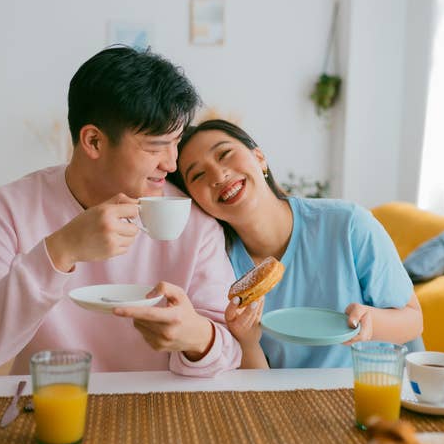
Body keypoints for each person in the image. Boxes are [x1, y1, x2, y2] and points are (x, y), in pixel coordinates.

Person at [0, 47, 242, 380]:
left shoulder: (191, 221)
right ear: (93, 141)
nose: (171, 163)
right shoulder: (3, 213)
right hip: (48, 405)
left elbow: (232, 350)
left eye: (176, 142)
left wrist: (198, 338)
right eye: (155, 146)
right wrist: (60, 250)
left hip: (162, 412)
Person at [169, 119, 423, 369]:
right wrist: (247, 343)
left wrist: (371, 324)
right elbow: (259, 390)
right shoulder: (218, 266)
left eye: (224, 154)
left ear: (259, 158)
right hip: (288, 403)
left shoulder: (347, 224)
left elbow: (414, 320)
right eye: (198, 175)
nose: (217, 174)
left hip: (367, 394)